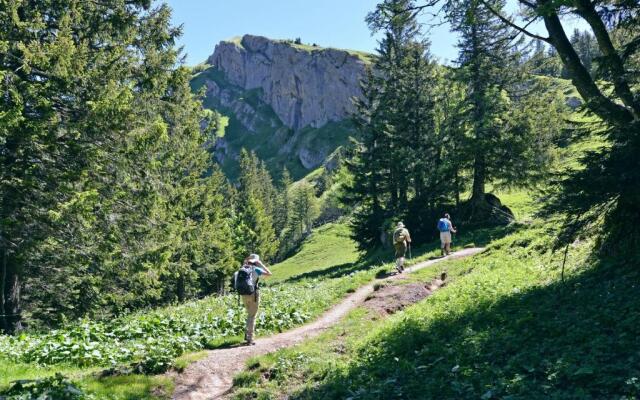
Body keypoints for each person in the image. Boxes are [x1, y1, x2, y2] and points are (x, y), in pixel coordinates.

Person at [238, 253, 272, 345]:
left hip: (243, 295)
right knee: (252, 316)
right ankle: (250, 338)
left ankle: (247, 335)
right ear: (256, 261)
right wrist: (261, 264)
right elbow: (269, 274)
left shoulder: (243, 268)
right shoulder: (256, 269)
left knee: (249, 314)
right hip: (253, 294)